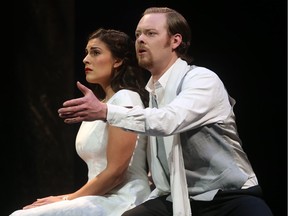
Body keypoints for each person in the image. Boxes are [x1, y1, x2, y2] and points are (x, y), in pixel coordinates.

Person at [58, 7, 274, 216]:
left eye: (150, 33)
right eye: (138, 34)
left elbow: (169, 121)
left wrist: (106, 111)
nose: (141, 39)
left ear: (175, 41)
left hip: (228, 196)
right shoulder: (151, 94)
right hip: (176, 198)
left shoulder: (202, 80)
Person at [10, 28, 151, 216]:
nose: (86, 59)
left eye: (95, 52)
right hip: (99, 198)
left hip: (124, 200)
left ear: (117, 61)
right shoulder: (100, 106)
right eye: (86, 52)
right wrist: (69, 198)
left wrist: (66, 198)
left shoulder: (125, 99)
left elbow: (116, 173)